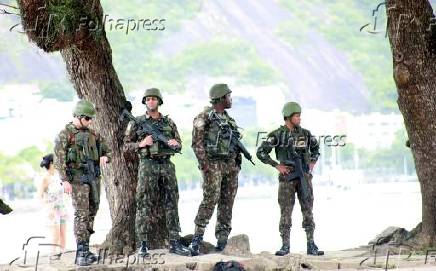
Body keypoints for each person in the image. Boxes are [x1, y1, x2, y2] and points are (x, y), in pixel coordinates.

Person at [123, 88, 190, 257]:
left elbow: (179, 144)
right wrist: (141, 144)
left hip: (167, 164)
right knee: (144, 202)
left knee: (172, 201)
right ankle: (143, 244)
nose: (151, 101)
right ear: (145, 102)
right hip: (148, 165)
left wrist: (175, 143)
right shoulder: (137, 123)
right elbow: (125, 146)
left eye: (154, 99)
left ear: (159, 102)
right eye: (148, 99)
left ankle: (174, 241)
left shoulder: (169, 123)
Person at [256, 101, 324, 256]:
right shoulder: (277, 135)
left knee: (308, 209)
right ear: (288, 117)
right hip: (287, 177)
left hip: (304, 176)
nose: (300, 118)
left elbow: (315, 148)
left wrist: (312, 162)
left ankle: (311, 244)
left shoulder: (305, 134)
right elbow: (261, 152)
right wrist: (276, 165)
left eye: (300, 116)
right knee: (286, 212)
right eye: (297, 116)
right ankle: (285, 246)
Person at [54, 100, 111, 266]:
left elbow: (108, 150)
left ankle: (86, 248)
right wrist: (64, 180)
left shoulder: (93, 134)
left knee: (93, 210)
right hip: (77, 180)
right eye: (87, 118)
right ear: (78, 117)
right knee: (81, 213)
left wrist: (105, 156)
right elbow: (59, 159)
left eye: (90, 118)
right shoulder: (65, 134)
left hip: (93, 178)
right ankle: (81, 253)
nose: (89, 121)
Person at [189, 84, 242, 256]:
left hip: (230, 166)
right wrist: (204, 165)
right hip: (212, 165)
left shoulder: (229, 119)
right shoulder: (204, 117)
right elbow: (196, 143)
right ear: (220, 98)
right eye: (228, 96)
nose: (230, 99)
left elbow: (235, 145)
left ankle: (222, 239)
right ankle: (197, 239)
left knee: (227, 202)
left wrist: (237, 164)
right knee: (210, 199)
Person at [38, 153, 69, 259]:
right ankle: (52, 254)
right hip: (51, 209)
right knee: (55, 234)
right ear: (51, 163)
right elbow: (39, 196)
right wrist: (48, 209)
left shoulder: (58, 175)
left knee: (63, 233)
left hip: (61, 207)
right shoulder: (45, 178)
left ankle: (62, 253)